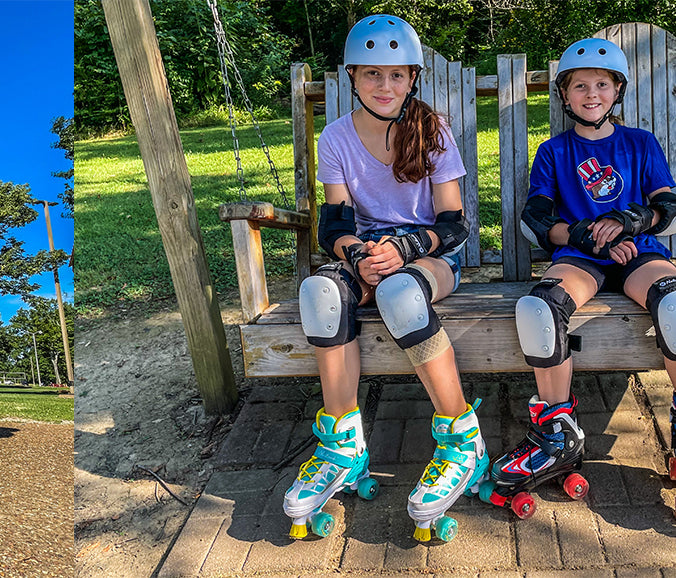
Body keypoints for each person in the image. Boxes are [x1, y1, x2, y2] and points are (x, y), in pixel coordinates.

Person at [283, 15, 487, 543]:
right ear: (351, 77)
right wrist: (357, 256)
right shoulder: (336, 137)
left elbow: (454, 223)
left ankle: (463, 440)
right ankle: (342, 446)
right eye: (372, 73)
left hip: (429, 256)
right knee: (319, 291)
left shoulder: (432, 130)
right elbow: (334, 223)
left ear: (413, 78)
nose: (385, 86)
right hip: (366, 254)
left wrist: (403, 249)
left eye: (397, 75)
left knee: (399, 291)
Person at [484, 38, 676, 515]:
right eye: (580, 86)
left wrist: (631, 223)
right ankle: (556, 435)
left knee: (675, 304)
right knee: (539, 307)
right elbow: (537, 217)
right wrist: (588, 235)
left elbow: (666, 205)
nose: (592, 94)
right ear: (564, 95)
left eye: (602, 84)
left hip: (638, 253)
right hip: (582, 256)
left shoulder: (640, 143)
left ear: (617, 91)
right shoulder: (554, 151)